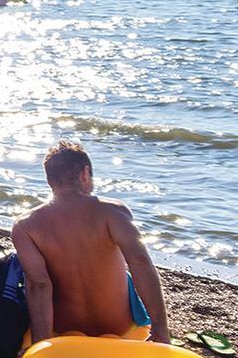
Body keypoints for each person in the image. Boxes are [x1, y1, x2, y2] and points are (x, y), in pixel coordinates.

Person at [11, 142, 170, 344]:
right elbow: (140, 261)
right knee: (129, 274)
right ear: (85, 174)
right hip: (121, 331)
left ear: (49, 180)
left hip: (64, 333)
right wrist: (160, 329)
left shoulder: (25, 225)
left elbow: (39, 285)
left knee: (32, 277)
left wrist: (41, 344)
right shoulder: (113, 212)